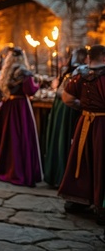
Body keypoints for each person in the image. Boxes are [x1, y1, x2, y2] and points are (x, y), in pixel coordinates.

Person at [58, 44, 105, 224]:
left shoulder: (79, 76)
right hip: (102, 125)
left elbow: (66, 97)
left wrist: (83, 107)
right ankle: (100, 204)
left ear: (88, 58)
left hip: (85, 123)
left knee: (83, 159)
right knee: (100, 161)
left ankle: (80, 198)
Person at [0, 47, 42, 187]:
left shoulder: (5, 72)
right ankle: (18, 171)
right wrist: (38, 84)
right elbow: (30, 91)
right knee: (21, 138)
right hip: (20, 107)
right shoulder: (24, 72)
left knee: (9, 138)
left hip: (8, 106)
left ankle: (7, 167)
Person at [43, 47, 88, 188]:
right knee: (64, 139)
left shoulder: (69, 71)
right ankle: (62, 176)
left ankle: (57, 175)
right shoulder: (79, 73)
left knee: (60, 139)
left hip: (62, 107)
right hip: (68, 110)